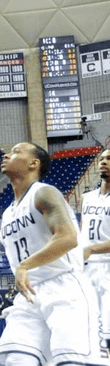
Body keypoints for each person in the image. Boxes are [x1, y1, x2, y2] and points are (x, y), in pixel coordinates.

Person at [0, 142, 103, 366]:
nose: (7, 155)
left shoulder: (43, 193)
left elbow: (68, 238)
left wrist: (25, 266)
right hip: (29, 295)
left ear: (34, 163)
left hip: (64, 288)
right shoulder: (7, 214)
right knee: (16, 359)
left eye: (16, 152)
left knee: (72, 362)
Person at [80, 148, 110, 354]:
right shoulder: (87, 197)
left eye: (109, 159)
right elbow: (82, 232)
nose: (103, 162)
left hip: (107, 265)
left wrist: (90, 249)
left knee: (107, 326)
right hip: (87, 266)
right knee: (88, 321)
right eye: (101, 159)